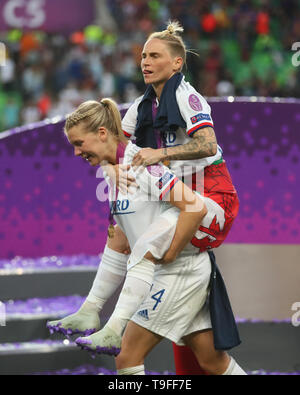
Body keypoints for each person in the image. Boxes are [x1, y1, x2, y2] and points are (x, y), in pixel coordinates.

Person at [48, 20, 240, 374]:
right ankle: (92, 309)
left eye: (154, 55)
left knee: (146, 243)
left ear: (177, 63)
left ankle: (114, 327)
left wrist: (160, 156)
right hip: (181, 198)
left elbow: (208, 144)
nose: (145, 62)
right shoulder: (141, 105)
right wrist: (109, 170)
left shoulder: (187, 97)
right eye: (142, 56)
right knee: (121, 231)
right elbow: (116, 146)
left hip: (214, 198)